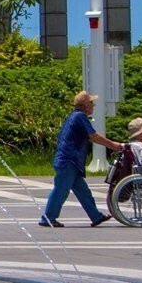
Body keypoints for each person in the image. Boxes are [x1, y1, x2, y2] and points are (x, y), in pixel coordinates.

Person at [39, 91, 124, 227]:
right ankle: (48, 218)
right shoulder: (80, 117)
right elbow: (93, 136)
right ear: (85, 105)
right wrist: (113, 145)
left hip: (72, 162)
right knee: (61, 191)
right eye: (91, 103)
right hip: (68, 161)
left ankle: (95, 216)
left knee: (83, 191)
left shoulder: (75, 117)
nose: (93, 106)